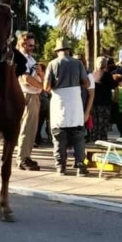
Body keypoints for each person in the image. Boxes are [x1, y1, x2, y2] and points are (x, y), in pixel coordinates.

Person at [44, 37, 90, 176]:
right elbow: (87, 83)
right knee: (78, 136)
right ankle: (80, 165)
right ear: (69, 50)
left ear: (57, 51)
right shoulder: (78, 63)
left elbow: (46, 87)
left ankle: (61, 166)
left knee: (59, 136)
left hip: (59, 101)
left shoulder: (52, 64)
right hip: (75, 102)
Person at [16, 32, 43, 171]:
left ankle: (26, 155)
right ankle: (22, 158)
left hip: (33, 95)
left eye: (33, 45)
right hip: (28, 95)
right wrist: (42, 86)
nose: (32, 47)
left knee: (32, 128)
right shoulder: (21, 59)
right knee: (27, 128)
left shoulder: (30, 58)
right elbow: (25, 78)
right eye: (30, 45)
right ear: (22, 43)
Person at [91, 56, 117, 142]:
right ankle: (102, 139)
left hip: (94, 102)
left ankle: (94, 138)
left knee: (95, 122)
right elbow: (114, 85)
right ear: (105, 65)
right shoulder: (106, 75)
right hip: (105, 102)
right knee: (103, 123)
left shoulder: (92, 75)